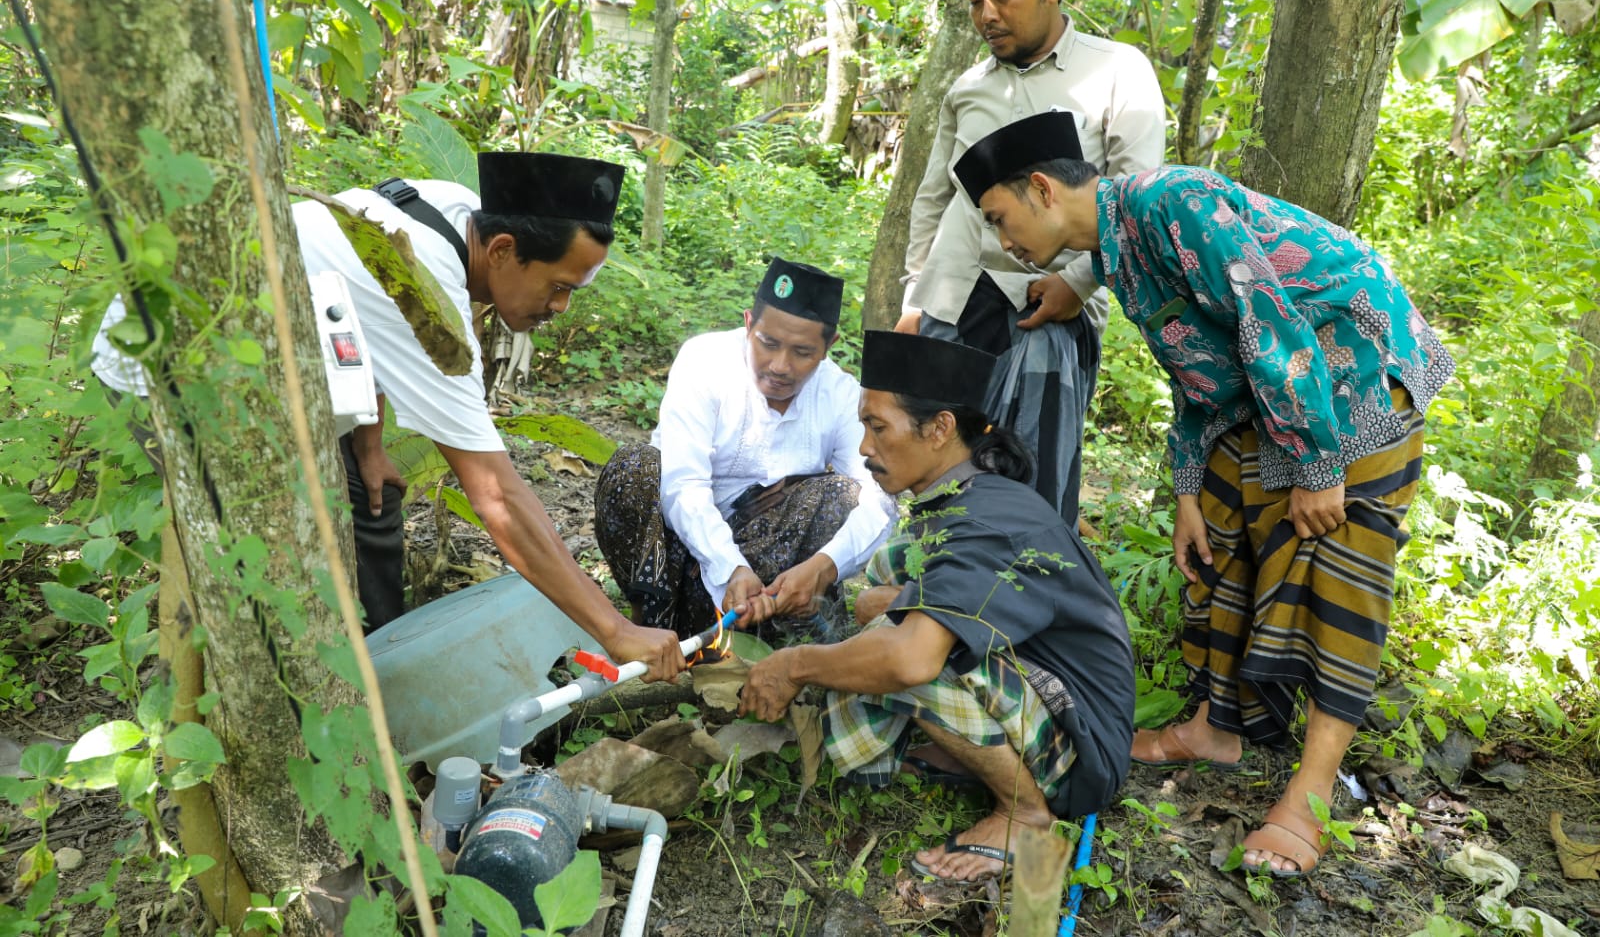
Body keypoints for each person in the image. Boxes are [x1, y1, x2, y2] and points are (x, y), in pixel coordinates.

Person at [953, 111, 1457, 876]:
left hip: (1356, 379)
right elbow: (1201, 373)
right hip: (1277, 396)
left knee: (1340, 564)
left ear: (1044, 189)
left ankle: (1312, 791)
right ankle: (1216, 727)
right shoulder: (1120, 253)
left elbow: (1267, 318)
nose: (1003, 240)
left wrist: (1319, 467)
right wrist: (1189, 488)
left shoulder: (1170, 199)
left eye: (1000, 218)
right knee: (1214, 530)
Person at [91, 151, 685, 680]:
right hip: (173, 381)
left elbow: (355, 308)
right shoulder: (428, 290)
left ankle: (380, 668)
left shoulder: (459, 212)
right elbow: (497, 499)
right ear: (504, 251)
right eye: (557, 286)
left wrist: (369, 444)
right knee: (263, 570)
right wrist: (614, 630)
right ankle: (232, 696)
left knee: (370, 498)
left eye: (574, 291)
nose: (560, 306)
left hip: (267, 372)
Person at [739, 331, 1134, 884]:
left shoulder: (986, 522)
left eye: (878, 427)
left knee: (906, 655)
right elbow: (883, 603)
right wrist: (890, 608)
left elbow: (909, 661)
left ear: (941, 428)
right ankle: (978, 748)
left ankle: (1024, 812)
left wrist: (794, 663)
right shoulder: (963, 497)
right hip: (1054, 694)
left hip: (1084, 746)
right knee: (890, 602)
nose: (863, 448)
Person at [894, 0, 1166, 525]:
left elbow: (1135, 203)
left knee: (1032, 485)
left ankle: (1028, 613)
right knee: (940, 479)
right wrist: (916, 300)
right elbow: (935, 198)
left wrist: (1076, 284)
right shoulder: (968, 90)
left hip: (1046, 316)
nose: (988, 13)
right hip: (951, 306)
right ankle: (937, 612)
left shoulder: (1118, 73)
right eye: (974, 0)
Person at [594, 258, 895, 641]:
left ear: (828, 347)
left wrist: (825, 566)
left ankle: (765, 626)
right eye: (767, 344)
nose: (780, 366)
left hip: (763, 572)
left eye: (802, 352)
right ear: (749, 322)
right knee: (634, 467)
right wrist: (730, 567)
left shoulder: (839, 393)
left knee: (842, 496)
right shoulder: (705, 361)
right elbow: (683, 484)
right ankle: (650, 623)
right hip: (674, 552)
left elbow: (879, 501)